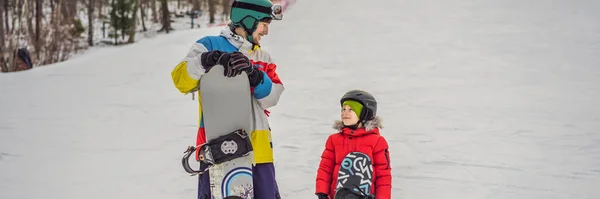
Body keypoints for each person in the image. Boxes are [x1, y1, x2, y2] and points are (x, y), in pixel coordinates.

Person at [170, 0, 284, 198]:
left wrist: (255, 75)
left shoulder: (263, 57)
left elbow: (272, 97)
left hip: (259, 152)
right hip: (216, 149)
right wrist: (207, 60)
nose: (266, 31)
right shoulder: (208, 45)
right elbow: (181, 81)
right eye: (264, 25)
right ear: (248, 21)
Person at [315, 90, 392, 199]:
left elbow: (383, 176)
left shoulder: (377, 142)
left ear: (365, 113)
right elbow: (325, 169)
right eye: (343, 109)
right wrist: (321, 192)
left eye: (351, 109)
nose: (345, 113)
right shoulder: (334, 140)